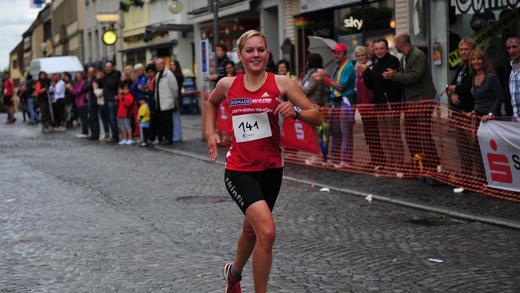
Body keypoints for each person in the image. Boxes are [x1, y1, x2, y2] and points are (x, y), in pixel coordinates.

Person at [205, 30, 322, 293]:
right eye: (250, 50)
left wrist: (297, 112)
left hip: (271, 170)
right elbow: (211, 103)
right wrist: (210, 133)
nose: (255, 55)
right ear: (240, 55)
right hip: (239, 171)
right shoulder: (228, 85)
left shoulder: (283, 84)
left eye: (260, 50)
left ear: (267, 53)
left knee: (251, 230)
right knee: (266, 232)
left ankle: (233, 274)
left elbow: (318, 117)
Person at [383, 33, 441, 173]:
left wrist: (394, 75)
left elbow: (414, 76)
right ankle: (418, 162)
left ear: (401, 43)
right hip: (411, 102)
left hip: (422, 100)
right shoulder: (404, 58)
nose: (394, 46)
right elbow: (405, 76)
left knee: (423, 134)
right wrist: (395, 73)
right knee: (410, 134)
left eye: (395, 43)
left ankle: (433, 164)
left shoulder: (418, 55)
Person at [362, 38, 403, 170]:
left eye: (381, 48)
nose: (379, 51)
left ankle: (398, 164)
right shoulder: (375, 63)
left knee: (393, 135)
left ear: (387, 49)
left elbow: (383, 78)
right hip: (379, 103)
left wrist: (368, 72)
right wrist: (365, 74)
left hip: (390, 102)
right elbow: (370, 85)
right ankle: (390, 163)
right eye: (376, 49)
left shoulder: (392, 61)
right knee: (384, 136)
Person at [445, 38, 477, 179]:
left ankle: (480, 176)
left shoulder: (475, 67)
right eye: (461, 50)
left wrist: (454, 89)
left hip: (471, 113)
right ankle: (466, 173)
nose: (463, 52)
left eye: (466, 49)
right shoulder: (460, 67)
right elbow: (450, 86)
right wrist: (452, 93)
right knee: (461, 146)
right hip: (458, 113)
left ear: (472, 50)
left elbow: (470, 88)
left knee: (474, 146)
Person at [321, 43, 356, 168]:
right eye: (334, 53)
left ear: (344, 54)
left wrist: (325, 78)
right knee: (335, 131)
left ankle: (347, 160)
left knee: (345, 131)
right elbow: (334, 85)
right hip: (335, 102)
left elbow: (340, 86)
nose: (335, 55)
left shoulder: (348, 66)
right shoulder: (337, 67)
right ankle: (335, 158)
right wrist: (324, 79)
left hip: (345, 102)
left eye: (338, 53)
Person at [353, 46, 384, 169]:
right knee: (368, 135)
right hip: (363, 106)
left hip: (371, 105)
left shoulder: (370, 68)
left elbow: (372, 88)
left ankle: (380, 160)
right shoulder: (357, 71)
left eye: (362, 55)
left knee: (374, 134)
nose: (360, 58)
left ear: (367, 56)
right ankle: (374, 159)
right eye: (358, 56)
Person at [301, 53, 327, 164]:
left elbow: (307, 90)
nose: (306, 63)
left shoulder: (317, 74)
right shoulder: (310, 73)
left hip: (316, 105)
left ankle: (321, 155)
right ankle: (318, 154)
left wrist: (295, 87)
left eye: (308, 60)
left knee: (319, 133)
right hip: (311, 105)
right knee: (314, 133)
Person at [470, 49, 504, 120]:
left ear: (484, 61)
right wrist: (473, 112)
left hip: (492, 119)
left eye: (479, 59)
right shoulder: (473, 77)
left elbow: (500, 97)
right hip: (478, 118)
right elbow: (478, 100)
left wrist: (490, 114)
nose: (476, 62)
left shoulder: (491, 77)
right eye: (473, 59)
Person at [154, 58, 178, 145]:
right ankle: (165, 137)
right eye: (157, 64)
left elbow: (174, 88)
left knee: (168, 122)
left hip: (167, 101)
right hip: (160, 102)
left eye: (160, 64)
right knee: (162, 121)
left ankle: (169, 138)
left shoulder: (168, 74)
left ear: (163, 64)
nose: (159, 66)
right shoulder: (157, 74)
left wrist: (174, 98)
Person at [103, 62, 121, 143]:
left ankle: (115, 137)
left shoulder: (115, 74)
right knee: (109, 119)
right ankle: (113, 135)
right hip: (106, 99)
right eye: (106, 67)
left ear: (112, 67)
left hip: (112, 99)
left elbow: (112, 84)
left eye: (109, 67)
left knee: (113, 119)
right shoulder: (106, 76)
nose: (107, 68)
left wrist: (105, 77)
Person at [69, 72, 89, 138]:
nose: (77, 77)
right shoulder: (76, 83)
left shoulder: (83, 83)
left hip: (82, 102)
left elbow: (77, 92)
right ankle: (84, 131)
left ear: (82, 76)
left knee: (84, 118)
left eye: (79, 75)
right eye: (76, 76)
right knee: (82, 118)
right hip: (78, 103)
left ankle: (85, 132)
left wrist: (71, 89)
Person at [171, 59, 184, 142]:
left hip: (177, 97)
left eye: (173, 65)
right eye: (171, 65)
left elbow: (176, 89)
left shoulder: (176, 76)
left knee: (175, 117)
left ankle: (177, 136)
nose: (172, 66)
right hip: (177, 97)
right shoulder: (177, 75)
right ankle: (177, 135)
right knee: (176, 117)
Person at [506, 36, 520, 118]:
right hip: (515, 119)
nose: (512, 50)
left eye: (514, 47)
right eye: (509, 48)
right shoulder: (508, 67)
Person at [85, 67, 100, 140]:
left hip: (95, 101)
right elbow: (85, 88)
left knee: (94, 118)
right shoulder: (90, 80)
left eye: (91, 72)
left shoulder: (95, 79)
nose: (89, 74)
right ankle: (93, 133)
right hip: (90, 100)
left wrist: (89, 81)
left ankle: (95, 134)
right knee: (91, 118)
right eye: (89, 72)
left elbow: (88, 88)